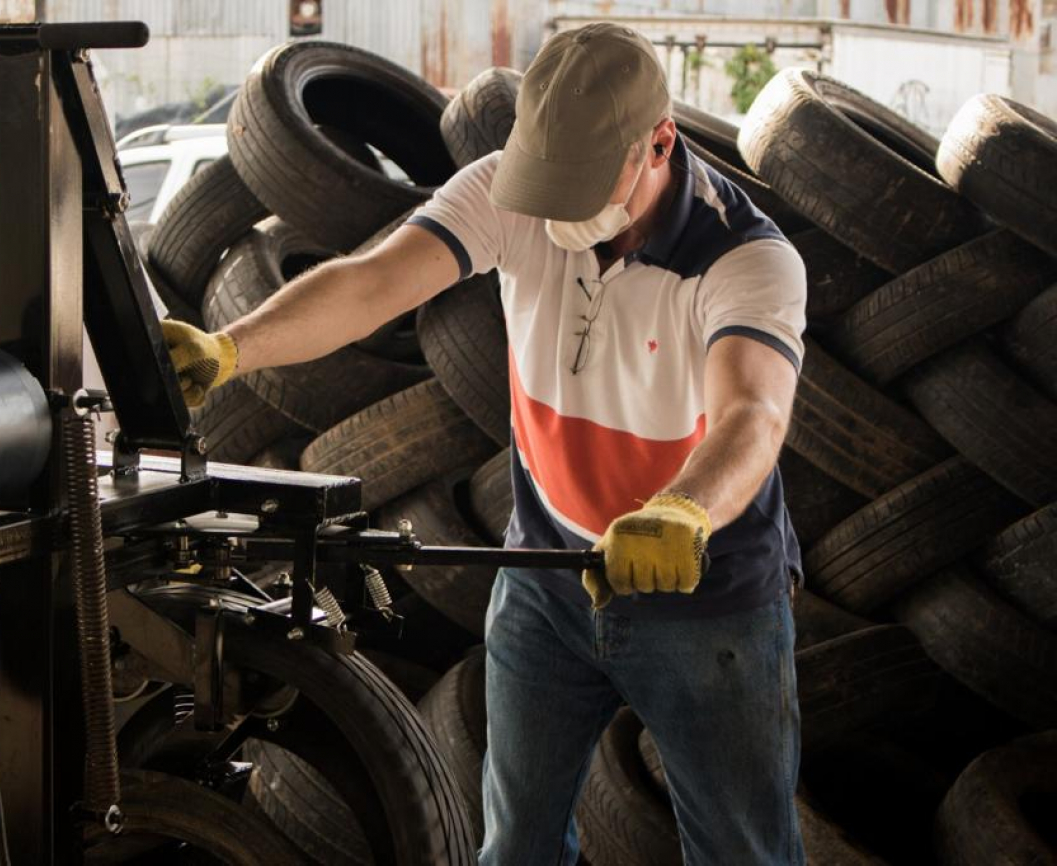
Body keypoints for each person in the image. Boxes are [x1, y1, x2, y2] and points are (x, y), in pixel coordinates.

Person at [164, 22, 807, 866]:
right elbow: (371, 284)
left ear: (659, 144)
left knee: (742, 854)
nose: (558, 208)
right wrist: (231, 348)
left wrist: (685, 510)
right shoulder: (509, 192)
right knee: (515, 848)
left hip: (706, 598)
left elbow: (752, 412)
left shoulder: (746, 257)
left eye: (583, 182)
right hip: (545, 581)